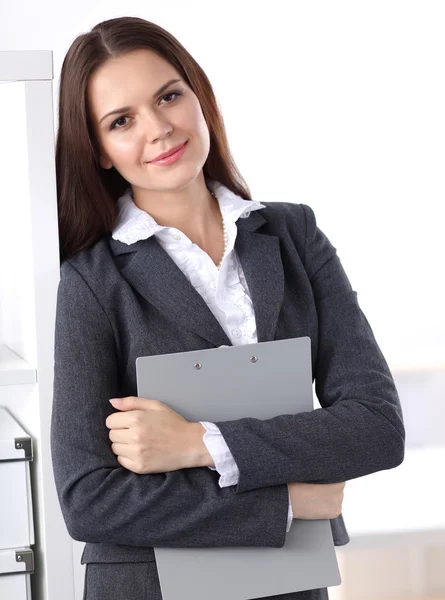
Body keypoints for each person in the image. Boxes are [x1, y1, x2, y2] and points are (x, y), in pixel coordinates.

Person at [50, 15, 405, 600]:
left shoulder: (294, 234)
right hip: (150, 588)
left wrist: (197, 442)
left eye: (169, 96)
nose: (159, 129)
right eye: (122, 121)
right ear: (101, 151)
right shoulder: (92, 280)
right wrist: (287, 501)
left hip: (290, 584)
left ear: (199, 96)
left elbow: (376, 426)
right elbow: (90, 500)